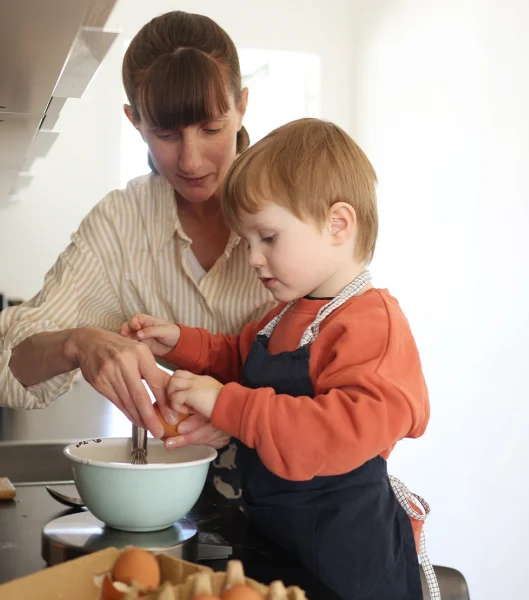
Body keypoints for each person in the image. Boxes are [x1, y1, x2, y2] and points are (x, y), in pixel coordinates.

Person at [121, 118, 439, 600]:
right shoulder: (287, 315)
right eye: (247, 241)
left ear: (338, 224)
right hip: (282, 544)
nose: (252, 257)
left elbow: (333, 431)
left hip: (349, 562)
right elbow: (238, 358)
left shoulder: (371, 324)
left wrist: (227, 404)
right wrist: (179, 342)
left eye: (267, 238)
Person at [0, 11, 273, 492]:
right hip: (191, 494)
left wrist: (234, 410)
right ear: (134, 120)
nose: (191, 160)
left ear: (241, 106)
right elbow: (10, 366)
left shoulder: (297, 202)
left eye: (211, 128)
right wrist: (79, 343)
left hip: (309, 495)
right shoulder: (123, 223)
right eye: (166, 134)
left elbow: (349, 366)